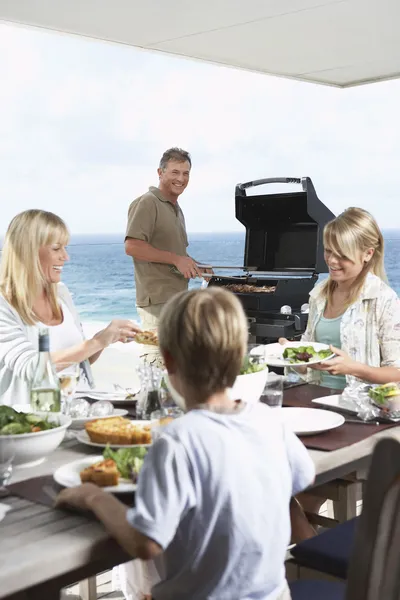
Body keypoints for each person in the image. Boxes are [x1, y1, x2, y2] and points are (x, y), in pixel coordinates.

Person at [56, 287, 315, 600]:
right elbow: (302, 478)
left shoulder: (177, 441)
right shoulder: (268, 420)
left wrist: (93, 498)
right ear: (240, 356)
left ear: (168, 361)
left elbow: (146, 543)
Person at [281, 207, 400, 541]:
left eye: (341, 255)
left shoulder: (384, 300)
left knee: (282, 501)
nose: (331, 261)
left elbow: (398, 372)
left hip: (360, 417)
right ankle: (308, 560)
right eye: (328, 251)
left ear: (367, 254)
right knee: (274, 490)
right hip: (315, 409)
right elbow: (309, 356)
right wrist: (291, 353)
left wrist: (353, 368)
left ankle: (315, 566)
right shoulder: (321, 293)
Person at [0, 209, 141, 406]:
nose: (65, 257)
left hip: (80, 410)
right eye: (57, 248)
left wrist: (108, 337)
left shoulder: (61, 293)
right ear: (29, 251)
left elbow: (80, 361)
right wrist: (98, 341)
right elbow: (32, 369)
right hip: (33, 423)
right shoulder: (3, 304)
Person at [124, 148, 209, 366]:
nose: (181, 179)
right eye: (175, 172)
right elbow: (132, 246)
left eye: (186, 173)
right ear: (160, 173)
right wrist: (176, 259)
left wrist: (195, 265)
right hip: (157, 303)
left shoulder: (176, 209)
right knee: (157, 362)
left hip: (176, 301)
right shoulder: (147, 202)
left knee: (175, 366)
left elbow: (176, 254)